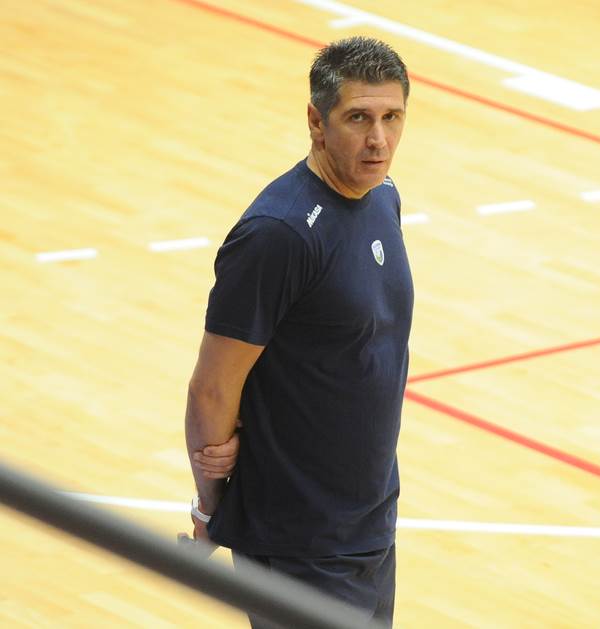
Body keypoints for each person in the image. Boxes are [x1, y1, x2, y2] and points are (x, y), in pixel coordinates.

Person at [180, 36, 413, 627]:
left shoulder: (383, 197)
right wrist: (211, 508)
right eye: (358, 118)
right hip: (298, 540)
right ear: (316, 120)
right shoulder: (278, 235)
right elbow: (212, 388)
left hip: (368, 521)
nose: (378, 139)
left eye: (391, 118)